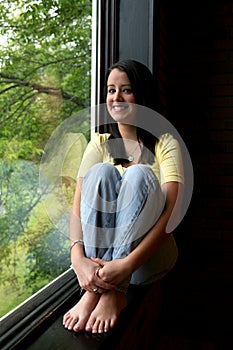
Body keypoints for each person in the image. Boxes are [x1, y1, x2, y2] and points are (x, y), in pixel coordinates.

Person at [63, 59, 184, 334]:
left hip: (146, 261)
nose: (116, 97)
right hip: (103, 267)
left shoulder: (165, 142)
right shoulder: (100, 141)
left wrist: (126, 265)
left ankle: (112, 291)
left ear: (142, 95)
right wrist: (77, 259)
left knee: (138, 175)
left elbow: (173, 213)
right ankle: (96, 289)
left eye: (126, 90)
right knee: (101, 173)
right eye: (110, 90)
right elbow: (78, 207)